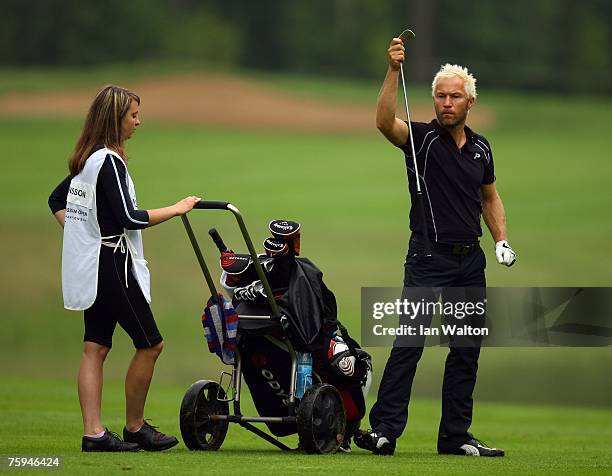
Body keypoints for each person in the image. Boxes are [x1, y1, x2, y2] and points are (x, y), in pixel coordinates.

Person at [354, 38, 516, 456]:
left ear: (470, 102)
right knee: (409, 344)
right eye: (441, 96)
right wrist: (393, 70)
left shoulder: (481, 148)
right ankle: (384, 430)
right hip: (428, 259)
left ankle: (455, 436)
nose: (446, 103)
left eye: (454, 96)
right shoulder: (421, 139)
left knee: (465, 352)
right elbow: (383, 121)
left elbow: (489, 197)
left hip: (470, 264)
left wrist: (501, 240)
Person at [48, 85, 201, 452]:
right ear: (114, 120)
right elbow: (130, 218)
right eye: (133, 115)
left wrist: (81, 237)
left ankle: (94, 433)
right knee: (151, 344)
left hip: (93, 263)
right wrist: (178, 208)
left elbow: (56, 200)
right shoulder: (110, 162)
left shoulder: (88, 160)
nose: (138, 122)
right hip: (113, 264)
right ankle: (134, 427)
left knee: (95, 348)